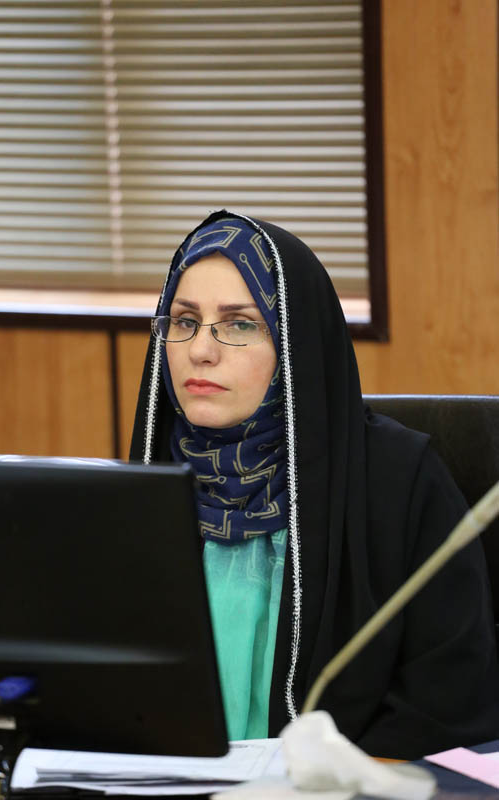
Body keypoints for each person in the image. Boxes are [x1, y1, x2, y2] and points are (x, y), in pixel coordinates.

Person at [130, 209, 499, 759]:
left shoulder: (401, 483)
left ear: (294, 343)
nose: (199, 350)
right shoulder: (150, 477)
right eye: (183, 321)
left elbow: (449, 701)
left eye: (239, 324)